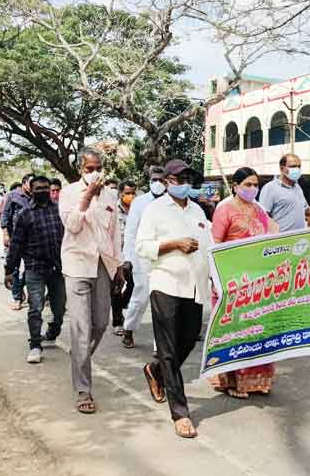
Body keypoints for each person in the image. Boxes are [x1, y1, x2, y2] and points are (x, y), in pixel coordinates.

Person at [137, 159, 212, 439]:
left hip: (194, 287)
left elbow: (210, 245)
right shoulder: (154, 210)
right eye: (179, 179)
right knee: (168, 348)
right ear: (167, 181)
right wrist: (174, 244)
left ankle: (155, 371)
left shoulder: (198, 211)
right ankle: (180, 412)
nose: (184, 184)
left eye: (187, 179)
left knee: (190, 338)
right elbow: (142, 246)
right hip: (166, 283)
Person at [59, 147, 124, 414]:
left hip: (102, 264)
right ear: (80, 170)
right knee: (81, 328)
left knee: (100, 324)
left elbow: (114, 232)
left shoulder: (110, 194)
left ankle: (79, 357)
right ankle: (83, 389)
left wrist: (118, 266)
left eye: (98, 168)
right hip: (76, 264)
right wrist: (86, 197)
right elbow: (72, 225)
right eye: (89, 169)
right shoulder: (68, 192)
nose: (95, 173)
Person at [208, 167, 280, 399]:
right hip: (232, 279)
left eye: (255, 184)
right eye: (247, 184)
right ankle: (231, 381)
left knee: (258, 330)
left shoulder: (259, 209)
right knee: (235, 331)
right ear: (235, 186)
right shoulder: (224, 210)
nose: (252, 189)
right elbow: (215, 244)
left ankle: (256, 381)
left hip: (258, 281)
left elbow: (272, 233)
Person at [5, 176, 66, 364]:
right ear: (31, 190)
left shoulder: (60, 211)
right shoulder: (24, 214)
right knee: (35, 308)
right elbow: (16, 244)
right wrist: (9, 269)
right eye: (38, 188)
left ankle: (53, 331)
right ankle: (35, 345)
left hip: (57, 268)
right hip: (34, 268)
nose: (42, 191)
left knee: (59, 308)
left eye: (45, 188)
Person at [121, 166, 168, 349]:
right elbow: (131, 232)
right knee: (140, 298)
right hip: (142, 258)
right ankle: (129, 329)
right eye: (154, 179)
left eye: (161, 180)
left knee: (163, 302)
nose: (157, 183)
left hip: (165, 256)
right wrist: (128, 259)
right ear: (149, 181)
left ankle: (160, 345)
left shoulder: (170, 201)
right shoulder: (140, 202)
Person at [258, 153, 310, 232]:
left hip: (299, 238)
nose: (297, 169)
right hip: (281, 239)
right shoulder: (270, 188)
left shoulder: (297, 187)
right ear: (282, 169)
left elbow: (306, 210)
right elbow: (263, 217)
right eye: (293, 166)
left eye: (299, 166)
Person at [0, 174, 35, 310]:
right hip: (14, 238)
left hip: (30, 239)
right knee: (13, 269)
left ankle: (20, 287)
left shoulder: (35, 197)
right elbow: (5, 215)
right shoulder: (12, 195)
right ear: (24, 183)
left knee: (31, 268)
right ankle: (18, 298)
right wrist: (5, 234)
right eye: (30, 183)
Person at [111, 180, 137, 336]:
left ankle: (123, 303)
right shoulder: (113, 209)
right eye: (127, 193)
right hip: (117, 253)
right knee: (117, 287)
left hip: (134, 254)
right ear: (121, 193)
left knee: (134, 284)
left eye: (133, 192)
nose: (131, 196)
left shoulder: (139, 208)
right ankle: (117, 322)